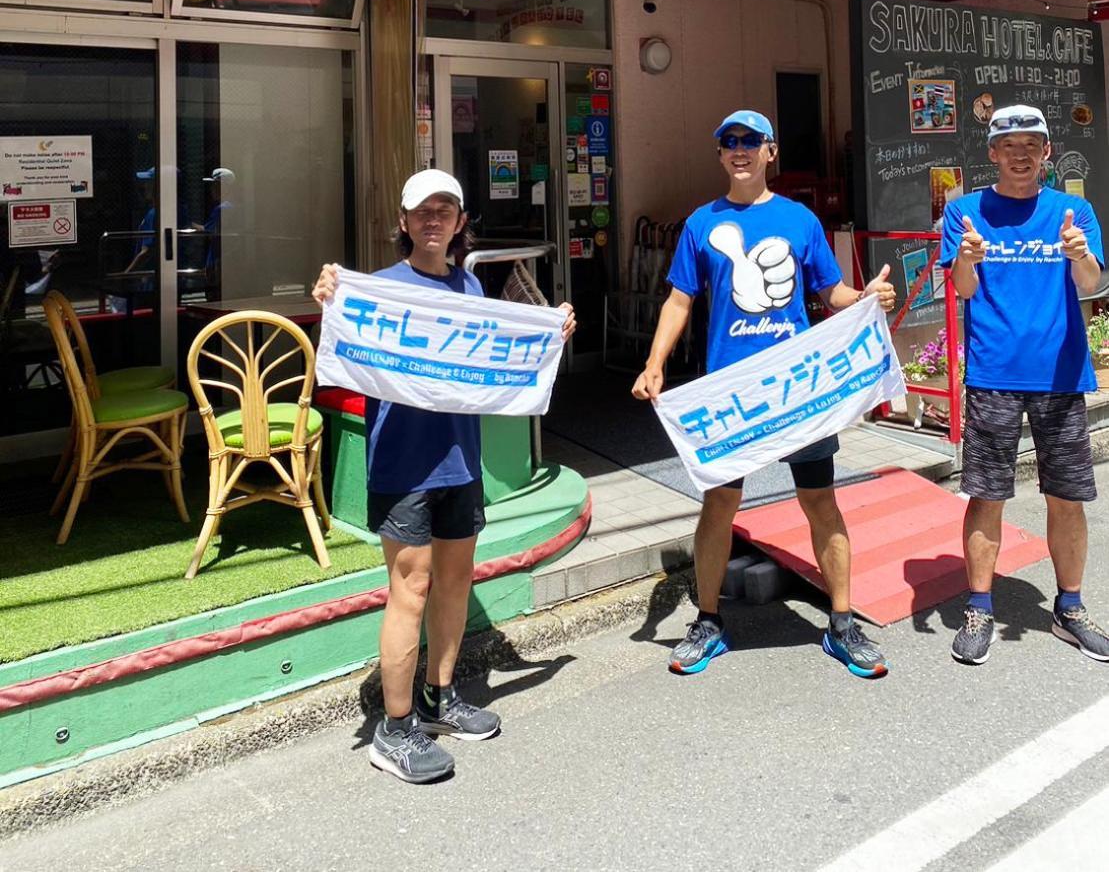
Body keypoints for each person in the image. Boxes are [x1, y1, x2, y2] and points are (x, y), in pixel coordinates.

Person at [313, 169, 575, 784]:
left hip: (461, 462)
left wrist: (550, 332)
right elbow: (342, 326)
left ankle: (439, 697)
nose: (433, 220)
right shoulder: (377, 289)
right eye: (421, 211)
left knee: (456, 583)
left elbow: (497, 356)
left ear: (460, 223)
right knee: (412, 588)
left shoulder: (471, 288)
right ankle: (394, 728)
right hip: (403, 466)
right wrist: (330, 290)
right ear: (403, 223)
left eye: (445, 210)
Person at [632, 110, 897, 678]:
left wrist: (869, 296)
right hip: (733, 393)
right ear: (720, 154)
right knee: (719, 506)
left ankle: (843, 624)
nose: (739, 150)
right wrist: (654, 363)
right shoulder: (701, 224)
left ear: (770, 152)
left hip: (797, 388)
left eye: (751, 141)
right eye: (728, 141)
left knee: (820, 501)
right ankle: (708, 621)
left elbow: (831, 293)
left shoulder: (799, 220)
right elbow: (679, 301)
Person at [942, 104, 1107, 666]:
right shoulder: (964, 212)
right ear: (991, 152)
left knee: (1067, 497)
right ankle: (980, 606)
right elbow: (964, 290)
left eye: (1030, 143)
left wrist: (1079, 255)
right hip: (993, 376)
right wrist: (968, 259)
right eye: (1008, 143)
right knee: (986, 495)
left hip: (1060, 375)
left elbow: (1090, 283)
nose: (1019, 152)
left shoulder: (1074, 210)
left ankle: (1070, 608)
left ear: (1045, 152)